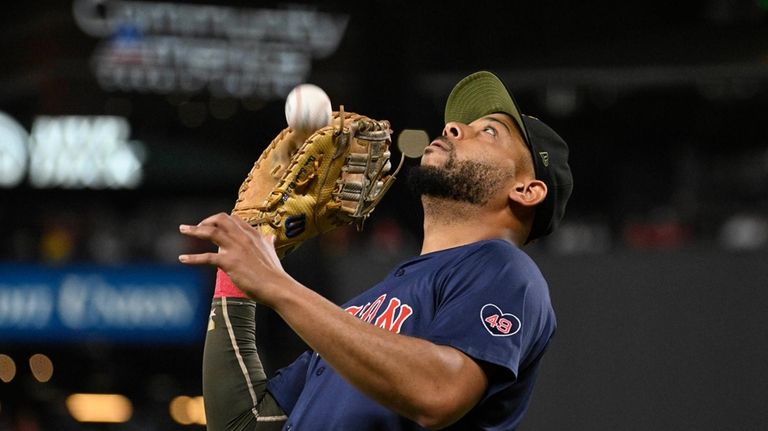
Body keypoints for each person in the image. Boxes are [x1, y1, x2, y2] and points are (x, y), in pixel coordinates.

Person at [178, 70, 573, 430]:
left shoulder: (504, 269)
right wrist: (237, 274)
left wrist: (277, 285)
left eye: (489, 132)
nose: (454, 127)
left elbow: (439, 392)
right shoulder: (363, 312)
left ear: (527, 189)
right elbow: (242, 424)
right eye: (463, 123)